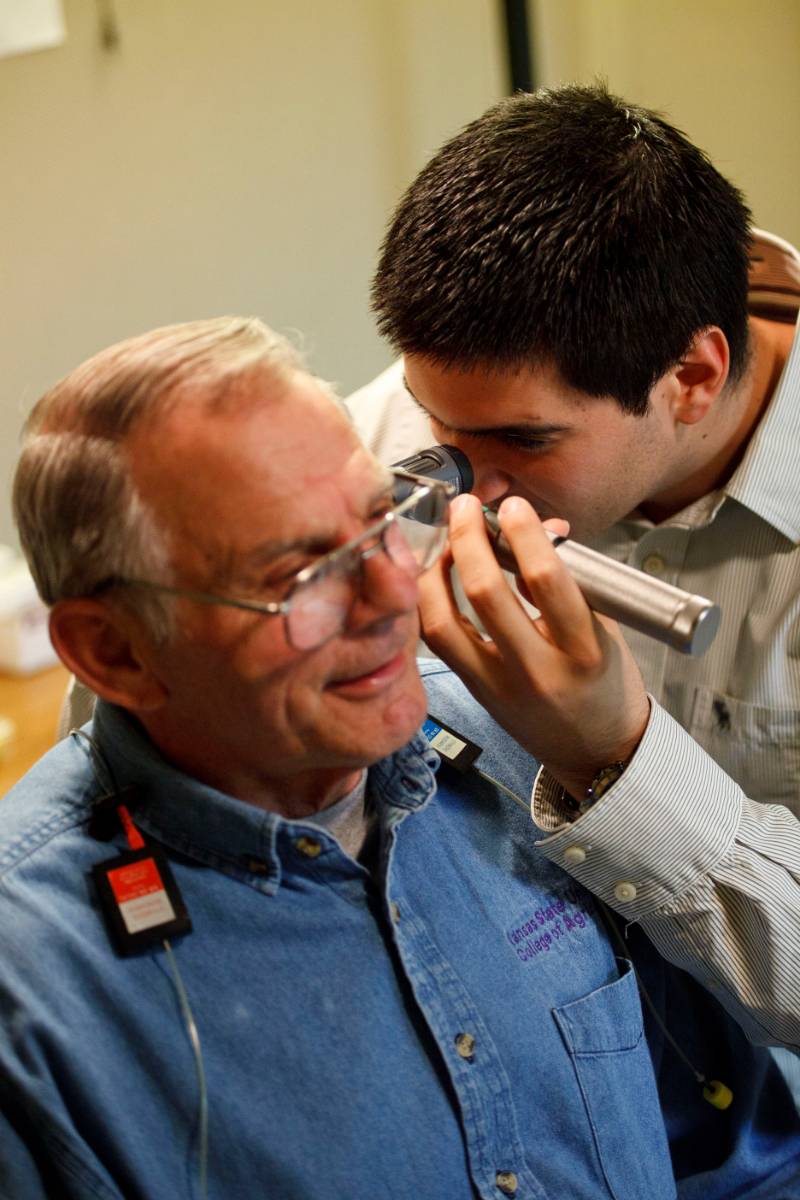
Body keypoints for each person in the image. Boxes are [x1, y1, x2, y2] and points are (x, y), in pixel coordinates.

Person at [3, 317, 799, 1199]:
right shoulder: (33, 997)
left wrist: (619, 755)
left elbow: (735, 1157)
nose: (397, 596)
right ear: (113, 652)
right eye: (302, 577)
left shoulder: (520, 750)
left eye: (386, 519)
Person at [361, 84, 800, 1059]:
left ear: (688, 378)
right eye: (436, 421)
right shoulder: (405, 432)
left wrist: (613, 754)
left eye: (521, 438)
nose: (463, 476)